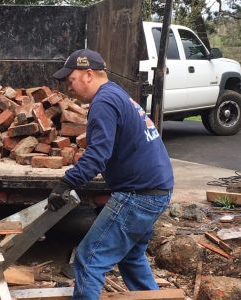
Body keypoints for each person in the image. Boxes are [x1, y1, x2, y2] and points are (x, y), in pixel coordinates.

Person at [47, 49, 174, 299]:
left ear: (88, 74)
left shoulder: (104, 102)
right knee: (131, 257)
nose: (69, 88)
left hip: (139, 194)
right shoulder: (116, 93)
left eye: (71, 80)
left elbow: (97, 155)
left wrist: (65, 184)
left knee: (88, 259)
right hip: (156, 188)